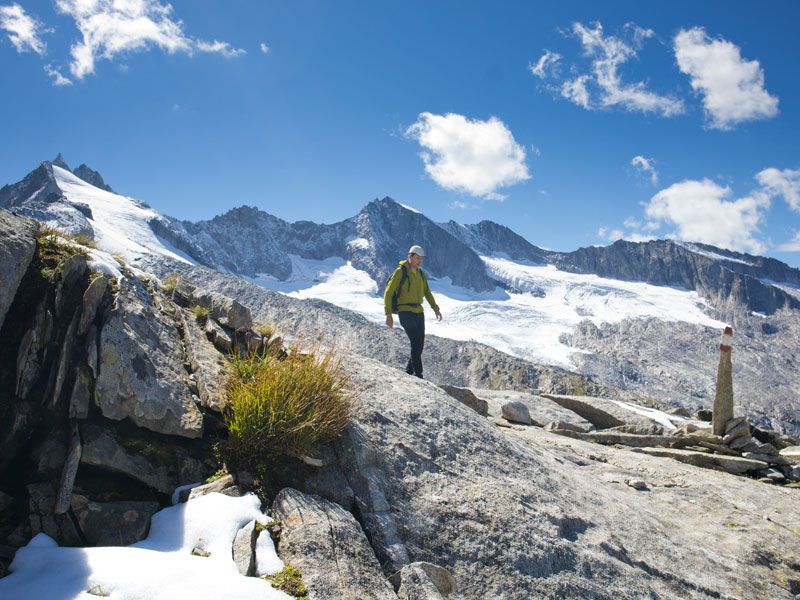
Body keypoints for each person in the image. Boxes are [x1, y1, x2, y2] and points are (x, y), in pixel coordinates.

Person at [384, 245, 442, 378]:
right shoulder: (400, 272)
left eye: (421, 259)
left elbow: (427, 292)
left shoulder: (421, 273)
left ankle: (409, 371)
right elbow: (388, 292)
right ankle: (419, 374)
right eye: (417, 258)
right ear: (410, 257)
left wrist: (435, 308)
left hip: (419, 312)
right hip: (405, 311)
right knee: (416, 341)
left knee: (420, 343)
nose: (420, 261)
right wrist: (388, 314)